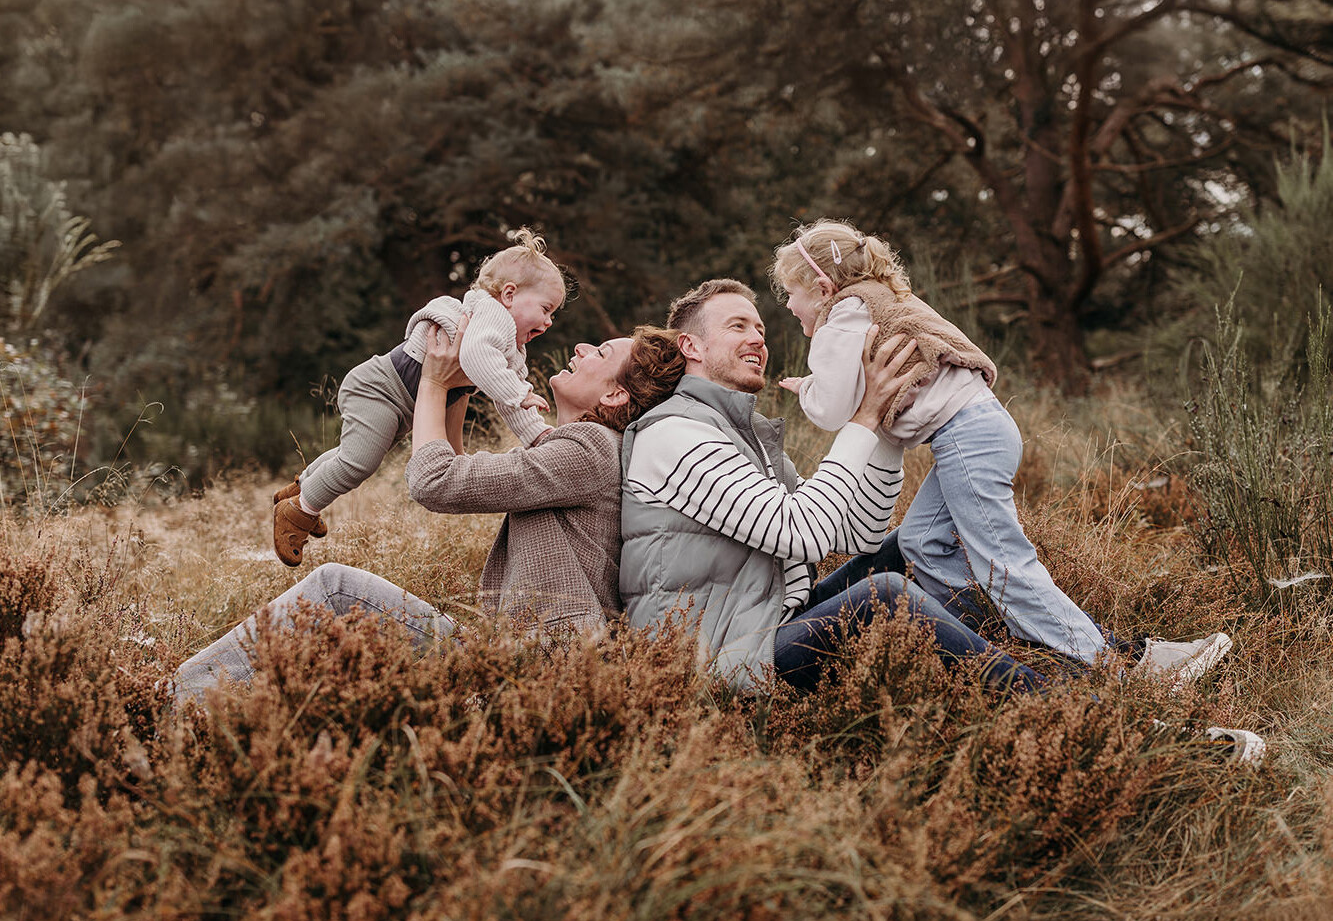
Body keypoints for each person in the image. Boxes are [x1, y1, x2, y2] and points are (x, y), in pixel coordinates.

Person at [770, 219, 1231, 681]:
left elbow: (832, 411)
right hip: (978, 428)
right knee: (919, 543)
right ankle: (1003, 640)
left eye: (791, 293)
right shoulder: (878, 301)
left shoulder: (841, 320)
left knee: (1002, 563)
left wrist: (807, 387)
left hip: (968, 435)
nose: (788, 305)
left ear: (823, 287)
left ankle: (1115, 669)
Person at [176, 317, 687, 702]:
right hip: (525, 662)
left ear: (617, 394)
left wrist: (433, 382)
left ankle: (165, 706)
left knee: (335, 589)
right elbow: (461, 472)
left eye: (600, 351)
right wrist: (460, 383)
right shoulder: (577, 449)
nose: (580, 347)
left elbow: (434, 480)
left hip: (540, 668)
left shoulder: (590, 450)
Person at [620, 278, 1048, 694]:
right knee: (884, 593)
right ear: (691, 346)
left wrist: (883, 421)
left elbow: (859, 534)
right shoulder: (676, 433)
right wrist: (861, 419)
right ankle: (1048, 694)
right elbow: (799, 534)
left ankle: (1053, 641)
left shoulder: (747, 436)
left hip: (768, 619)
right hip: (712, 655)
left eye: (760, 329)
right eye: (738, 326)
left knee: (907, 545)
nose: (757, 339)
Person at [272, 228, 565, 567]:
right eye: (545, 308)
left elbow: (507, 398)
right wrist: (521, 393)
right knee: (359, 462)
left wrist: (537, 434)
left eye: (553, 313)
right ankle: (298, 513)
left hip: (397, 399)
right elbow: (478, 358)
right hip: (380, 389)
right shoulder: (492, 316)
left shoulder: (510, 344)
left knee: (351, 455)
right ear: (510, 294)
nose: (549, 321)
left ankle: (301, 489)